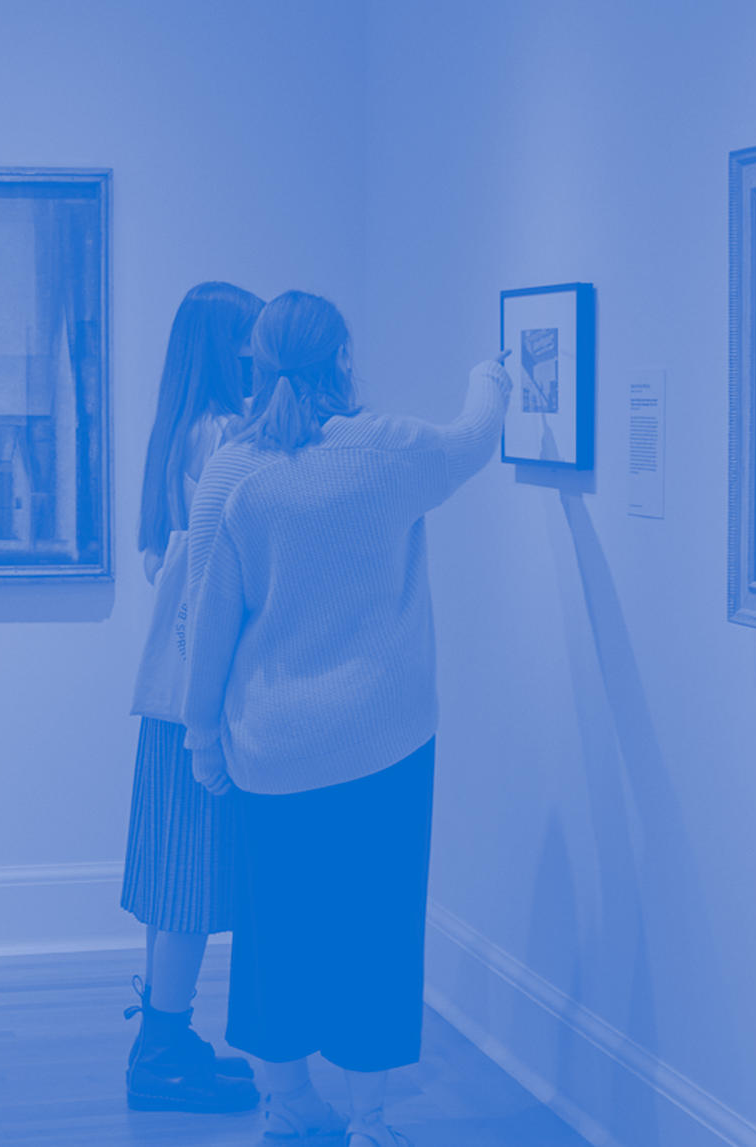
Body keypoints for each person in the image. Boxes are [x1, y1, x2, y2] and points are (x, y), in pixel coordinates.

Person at [181, 290, 512, 1146]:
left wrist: (203, 739)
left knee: (274, 928)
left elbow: (204, 625)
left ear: (256, 365)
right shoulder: (390, 451)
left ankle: (288, 1105)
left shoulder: (233, 474)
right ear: (343, 360)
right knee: (376, 926)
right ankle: (370, 1121)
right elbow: (474, 437)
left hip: (271, 747)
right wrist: (492, 374)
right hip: (385, 742)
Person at [119, 281, 265, 1114]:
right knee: (185, 883)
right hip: (198, 698)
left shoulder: (178, 432)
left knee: (175, 877)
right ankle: (161, 1049)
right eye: (248, 339)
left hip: (172, 698)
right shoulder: (221, 435)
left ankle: (166, 1036)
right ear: (227, 347)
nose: (259, 353)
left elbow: (159, 562)